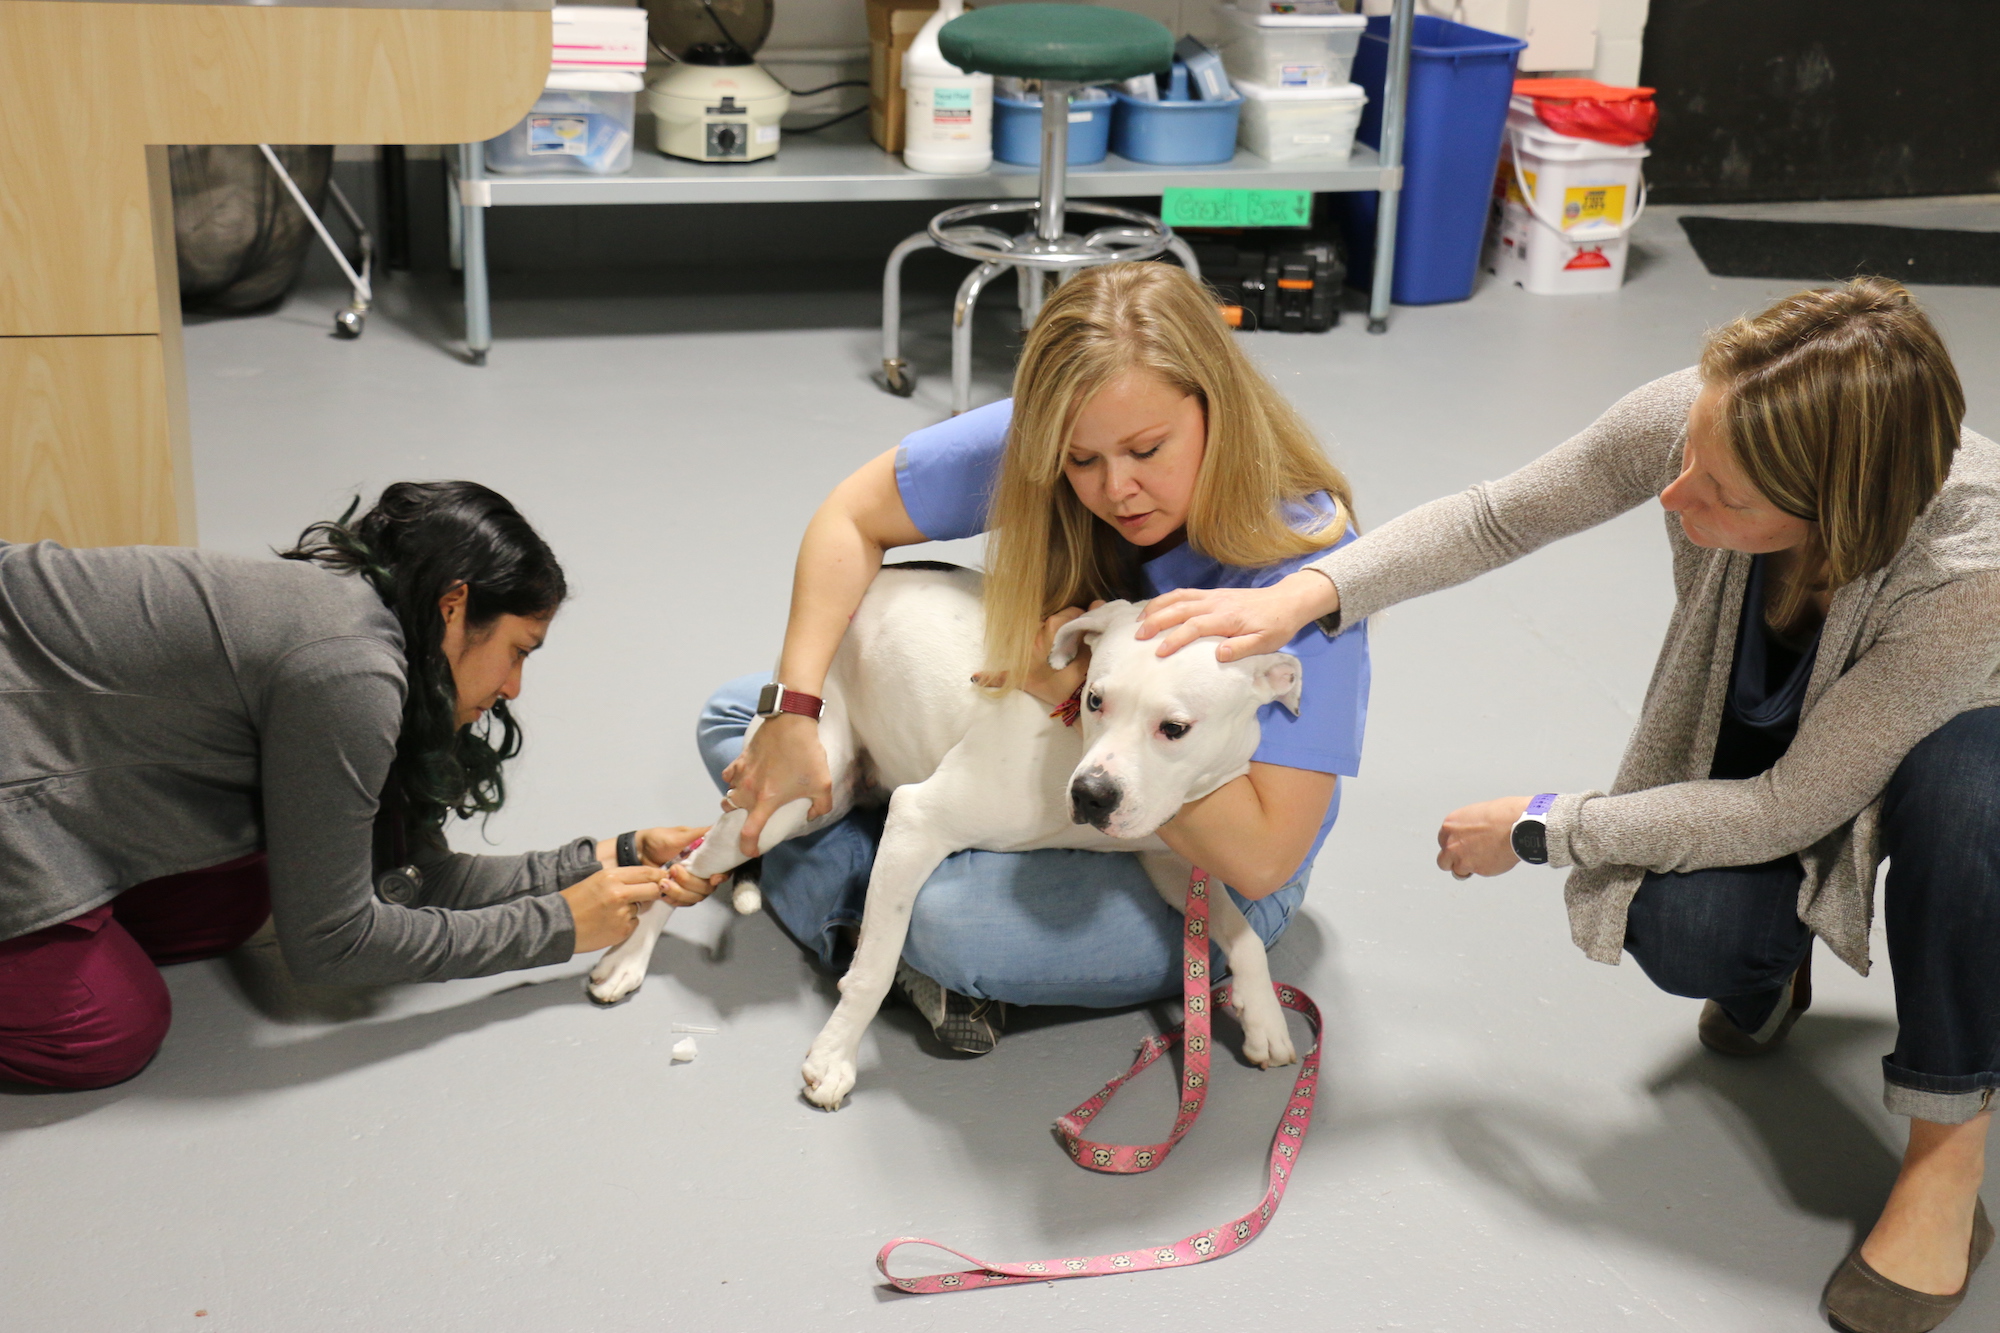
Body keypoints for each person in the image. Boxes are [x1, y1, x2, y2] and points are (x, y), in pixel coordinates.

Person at [1138, 279, 1996, 1332]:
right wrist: (1303, 594)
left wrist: (1541, 825)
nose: (1674, 499)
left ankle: (1945, 1151)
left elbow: (1783, 805)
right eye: (1684, 456)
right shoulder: (1721, 416)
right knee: (1683, 932)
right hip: (1783, 744)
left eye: (1718, 494)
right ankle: (1774, 966)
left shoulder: (1968, 574)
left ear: (1833, 509)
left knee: (1969, 804)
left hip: (1950, 737)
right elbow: (1502, 515)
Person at [692, 261, 1371, 1055]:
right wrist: (796, 710)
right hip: (1069, 765)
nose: (1117, 488)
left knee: (956, 922)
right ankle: (896, 844)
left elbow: (1262, 855)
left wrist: (1092, 692)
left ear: (1216, 406)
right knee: (744, 714)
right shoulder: (1069, 424)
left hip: (1209, 857)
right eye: (1082, 462)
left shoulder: (1304, 563)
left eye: (1148, 449)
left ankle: (862, 888)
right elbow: (849, 516)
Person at [0, 481, 716, 1091]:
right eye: (517, 652)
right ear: (456, 606)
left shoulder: (382, 629)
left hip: (42, 732)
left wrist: (610, 857)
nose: (512, 687)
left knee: (248, 889)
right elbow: (331, 943)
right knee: (105, 1023)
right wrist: (558, 927)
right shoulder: (350, 672)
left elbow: (413, 875)